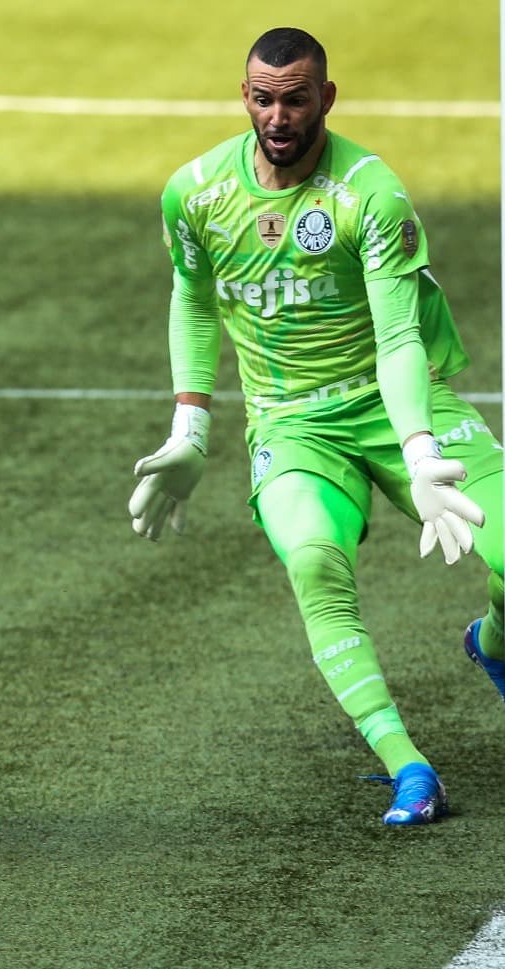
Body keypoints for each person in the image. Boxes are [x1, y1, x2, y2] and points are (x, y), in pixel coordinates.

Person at [128, 26, 504, 826]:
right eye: (263, 98)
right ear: (245, 97)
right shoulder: (195, 194)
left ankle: (494, 642)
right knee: (313, 561)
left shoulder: (371, 193)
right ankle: (409, 768)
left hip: (399, 401)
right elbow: (193, 298)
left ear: (325, 98)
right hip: (292, 425)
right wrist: (190, 427)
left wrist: (419, 446)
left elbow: (400, 336)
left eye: (295, 99)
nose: (278, 116)